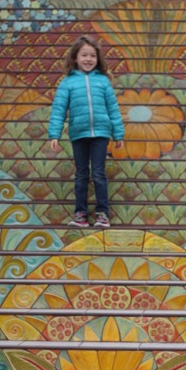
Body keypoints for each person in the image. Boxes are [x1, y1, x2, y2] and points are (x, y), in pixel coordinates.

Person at [48, 35, 124, 228]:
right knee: (81, 174)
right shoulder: (68, 82)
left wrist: (118, 134)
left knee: (98, 174)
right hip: (78, 133)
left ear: (97, 59)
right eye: (84, 55)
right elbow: (58, 109)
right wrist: (54, 134)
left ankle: (102, 214)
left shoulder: (103, 82)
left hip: (100, 133)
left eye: (92, 55)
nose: (88, 59)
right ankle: (80, 214)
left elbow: (113, 109)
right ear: (75, 58)